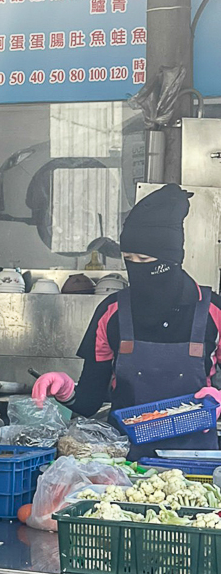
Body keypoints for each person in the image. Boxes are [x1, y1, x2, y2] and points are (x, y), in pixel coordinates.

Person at [33, 184, 221, 459]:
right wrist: (64, 389)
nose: (137, 268)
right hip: (123, 464)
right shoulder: (112, 312)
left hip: (195, 463)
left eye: (144, 259)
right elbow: (88, 401)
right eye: (129, 260)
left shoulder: (213, 311)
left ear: (171, 260)